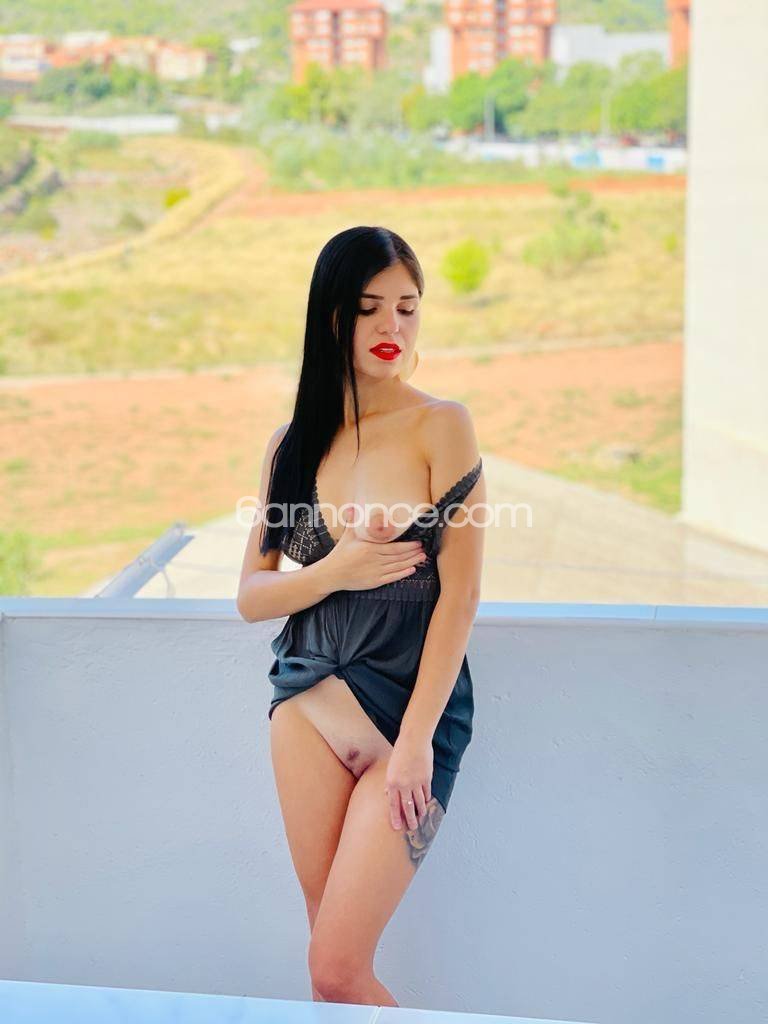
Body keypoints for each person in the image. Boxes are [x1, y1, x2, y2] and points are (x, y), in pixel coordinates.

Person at [237, 226, 485, 1007]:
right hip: (306, 707)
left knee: (338, 969)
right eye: (370, 307)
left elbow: (460, 598)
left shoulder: (441, 425)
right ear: (332, 316)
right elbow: (252, 595)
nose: (392, 327)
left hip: (405, 721)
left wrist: (415, 744)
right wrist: (337, 570)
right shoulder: (291, 444)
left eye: (408, 308)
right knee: (326, 960)